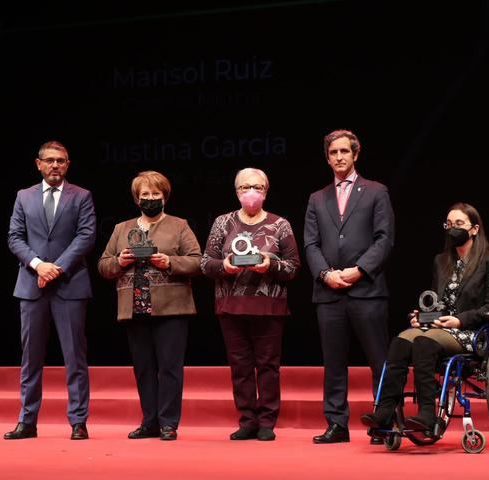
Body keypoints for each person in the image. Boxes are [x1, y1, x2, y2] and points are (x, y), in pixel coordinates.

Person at [361, 202, 489, 435]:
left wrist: (459, 320)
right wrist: (423, 317)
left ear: (474, 229)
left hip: (472, 332)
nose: (452, 229)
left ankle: (427, 413)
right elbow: (437, 302)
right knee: (401, 341)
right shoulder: (442, 261)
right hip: (441, 328)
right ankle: (385, 411)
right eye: (448, 224)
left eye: (459, 224)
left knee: (424, 343)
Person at [304, 129, 394, 444]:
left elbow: (384, 239)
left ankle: (383, 423)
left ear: (356, 154)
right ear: (327, 158)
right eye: (333, 153)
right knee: (334, 363)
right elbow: (311, 245)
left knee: (378, 361)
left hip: (367, 289)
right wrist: (326, 274)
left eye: (345, 151)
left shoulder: (376, 191)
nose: (339, 157)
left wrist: (359, 270)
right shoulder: (317, 198)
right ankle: (337, 425)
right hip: (329, 292)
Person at [98, 171, 202, 441]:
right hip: (134, 307)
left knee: (169, 367)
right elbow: (103, 265)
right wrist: (118, 262)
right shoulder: (122, 228)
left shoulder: (179, 225)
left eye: (156, 194)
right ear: (137, 198)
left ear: (165, 197)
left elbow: (197, 261)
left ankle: (168, 423)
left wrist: (169, 262)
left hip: (172, 308)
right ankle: (149, 421)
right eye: (145, 194)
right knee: (143, 367)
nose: (151, 199)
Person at [201, 168, 300, 442]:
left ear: (266, 191)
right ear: (236, 192)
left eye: (256, 187)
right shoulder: (223, 222)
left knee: (268, 365)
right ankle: (247, 420)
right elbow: (205, 263)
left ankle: (267, 421)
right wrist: (225, 266)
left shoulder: (280, 224)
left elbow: (293, 267)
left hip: (269, 307)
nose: (251, 192)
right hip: (231, 306)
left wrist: (271, 266)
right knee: (240, 366)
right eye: (245, 188)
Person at [6, 140, 96, 440]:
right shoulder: (23, 196)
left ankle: (78, 421)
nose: (55, 165)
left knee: (74, 356)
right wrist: (37, 265)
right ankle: (27, 420)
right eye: (49, 160)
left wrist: (55, 268)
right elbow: (15, 237)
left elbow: (86, 236)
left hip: (69, 284)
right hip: (31, 285)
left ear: (67, 164)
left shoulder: (81, 196)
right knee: (30, 358)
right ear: (38, 163)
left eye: (61, 160)